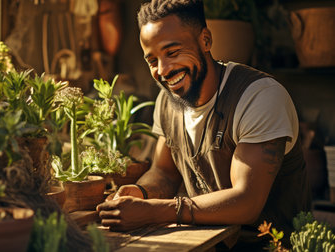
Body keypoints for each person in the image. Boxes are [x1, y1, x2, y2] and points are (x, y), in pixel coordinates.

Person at [96, 0, 311, 249]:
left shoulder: (259, 96)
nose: (163, 70)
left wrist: (154, 212)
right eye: (152, 60)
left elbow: (247, 202)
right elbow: (164, 173)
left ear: (206, 40)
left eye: (172, 52)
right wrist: (139, 193)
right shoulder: (167, 102)